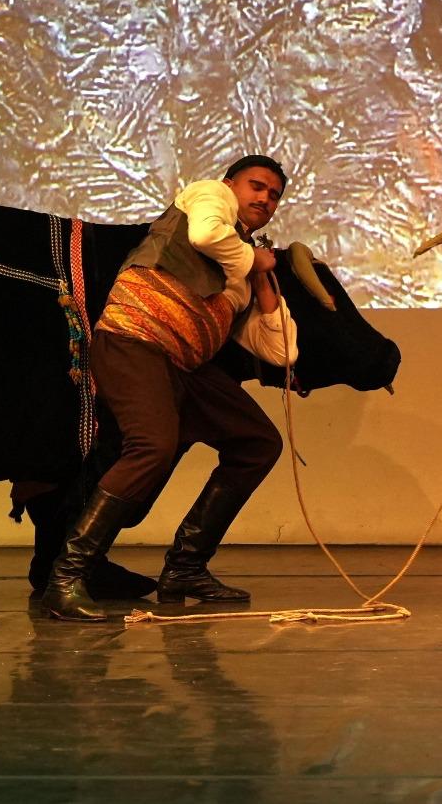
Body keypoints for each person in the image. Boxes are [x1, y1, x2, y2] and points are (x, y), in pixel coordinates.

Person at [41, 155, 293, 622]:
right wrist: (251, 259)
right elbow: (203, 236)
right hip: (133, 340)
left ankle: (185, 567)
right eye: (256, 186)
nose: (265, 198)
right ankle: (66, 577)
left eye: (275, 195)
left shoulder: (243, 259)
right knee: (152, 446)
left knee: (258, 443)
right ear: (230, 184)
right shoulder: (206, 196)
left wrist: (261, 281)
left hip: (181, 365)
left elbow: (280, 352)